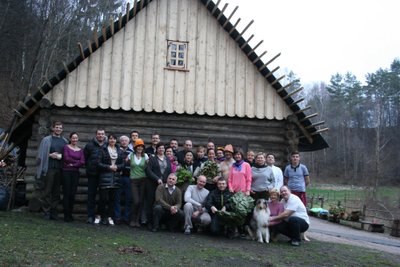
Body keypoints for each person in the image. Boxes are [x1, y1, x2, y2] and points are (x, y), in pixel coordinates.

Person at [36, 121, 68, 220]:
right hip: (49, 168)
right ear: (53, 128)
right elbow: (41, 154)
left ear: (62, 130)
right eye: (57, 127)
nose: (58, 129)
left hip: (60, 169)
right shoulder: (46, 140)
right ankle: (46, 212)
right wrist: (50, 155)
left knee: (56, 192)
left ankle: (54, 211)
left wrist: (61, 156)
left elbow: (67, 155)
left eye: (60, 128)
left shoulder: (65, 141)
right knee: (47, 190)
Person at [97, 134, 124, 225]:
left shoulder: (119, 151)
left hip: (116, 178)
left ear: (116, 140)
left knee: (112, 199)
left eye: (114, 139)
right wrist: (109, 167)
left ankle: (109, 216)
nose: (112, 140)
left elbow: (123, 164)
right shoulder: (103, 149)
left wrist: (117, 167)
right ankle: (102, 216)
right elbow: (98, 163)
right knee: (103, 198)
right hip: (105, 177)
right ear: (108, 140)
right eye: (110, 139)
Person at [145, 142, 171, 228]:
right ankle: (149, 222)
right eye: (159, 148)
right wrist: (157, 179)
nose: (161, 150)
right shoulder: (152, 159)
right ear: (157, 149)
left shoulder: (167, 159)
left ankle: (158, 223)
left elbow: (169, 171)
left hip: (163, 186)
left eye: (163, 148)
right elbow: (148, 171)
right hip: (152, 184)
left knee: (160, 204)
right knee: (150, 203)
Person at [84, 129, 107, 224]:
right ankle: (90, 216)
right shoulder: (89, 145)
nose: (100, 135)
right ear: (96, 135)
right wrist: (89, 168)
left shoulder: (108, 145)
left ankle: (100, 216)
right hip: (92, 175)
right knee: (91, 196)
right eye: (99, 134)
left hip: (104, 175)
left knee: (103, 197)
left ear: (104, 135)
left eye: (102, 134)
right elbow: (85, 159)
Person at [62, 132, 85, 222]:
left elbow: (82, 161)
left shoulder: (81, 150)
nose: (74, 139)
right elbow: (66, 158)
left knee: (72, 193)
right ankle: (66, 214)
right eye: (73, 138)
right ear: (70, 138)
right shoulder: (66, 147)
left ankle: (70, 214)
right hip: (66, 172)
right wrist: (77, 162)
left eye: (76, 138)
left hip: (75, 173)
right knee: (66, 193)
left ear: (78, 139)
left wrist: (73, 164)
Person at [128, 138, 149, 227]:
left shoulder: (146, 156)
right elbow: (127, 163)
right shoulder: (130, 156)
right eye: (138, 146)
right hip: (133, 181)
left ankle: (137, 221)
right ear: (135, 147)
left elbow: (148, 167)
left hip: (143, 180)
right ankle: (132, 219)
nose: (140, 148)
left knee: (140, 201)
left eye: (141, 146)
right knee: (135, 201)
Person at [114, 135, 133, 225]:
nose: (124, 142)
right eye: (122, 141)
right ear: (120, 142)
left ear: (128, 142)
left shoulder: (132, 152)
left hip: (129, 177)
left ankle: (126, 217)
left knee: (128, 198)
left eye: (126, 141)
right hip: (118, 177)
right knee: (117, 198)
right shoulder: (116, 150)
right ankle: (117, 217)